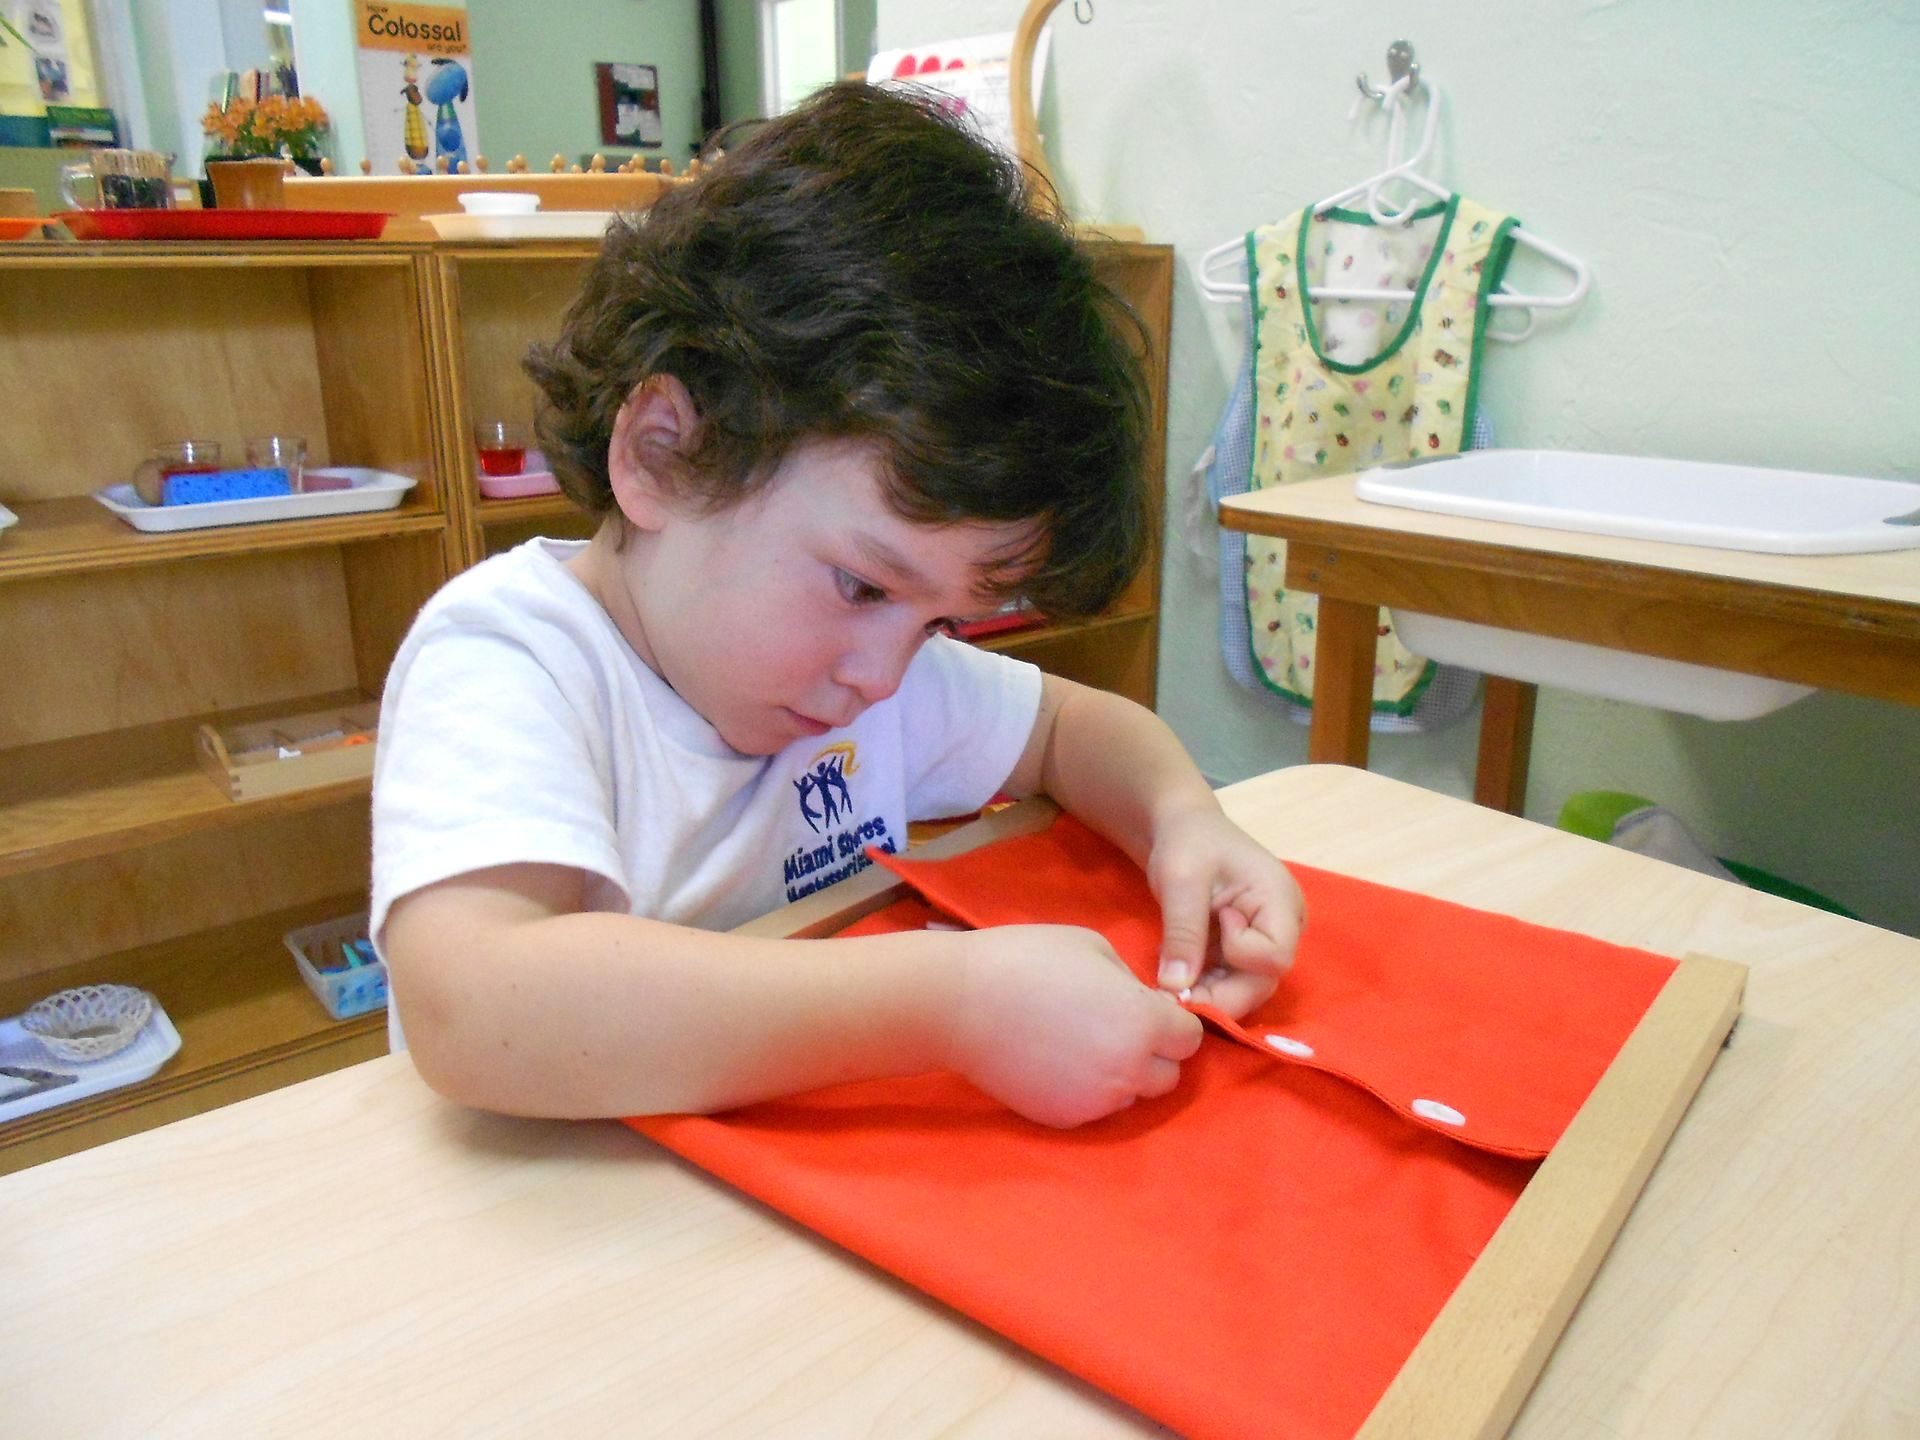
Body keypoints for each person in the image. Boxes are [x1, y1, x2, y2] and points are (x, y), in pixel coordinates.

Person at [373, 83, 1304, 1131]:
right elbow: (475, 1006)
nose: (884, 678)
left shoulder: (862, 674)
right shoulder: (512, 661)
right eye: (863, 585)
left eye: (940, 624)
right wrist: (949, 1005)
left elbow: (1070, 728)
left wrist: (1186, 822)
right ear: (664, 457)